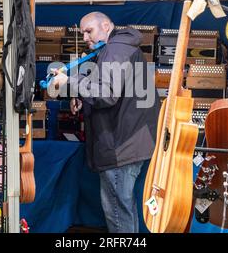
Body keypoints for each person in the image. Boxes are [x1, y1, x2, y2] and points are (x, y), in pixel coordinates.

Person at [51, 12, 160, 233]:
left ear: (106, 25)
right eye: (82, 33)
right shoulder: (119, 48)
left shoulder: (116, 49)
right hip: (128, 141)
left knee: (119, 213)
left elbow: (107, 92)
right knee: (123, 209)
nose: (85, 37)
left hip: (122, 144)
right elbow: (112, 88)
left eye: (88, 31)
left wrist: (69, 83)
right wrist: (80, 96)